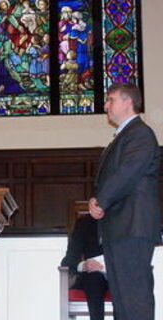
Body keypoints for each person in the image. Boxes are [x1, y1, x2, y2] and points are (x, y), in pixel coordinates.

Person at [89, 83, 161, 320]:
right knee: (122, 300)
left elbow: (127, 173)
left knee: (134, 297)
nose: (106, 105)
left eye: (111, 99)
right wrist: (98, 200)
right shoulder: (125, 136)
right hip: (120, 227)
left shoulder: (140, 134)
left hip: (132, 226)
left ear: (128, 101)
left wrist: (101, 201)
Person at [61, 214, 109, 320]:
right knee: (94, 279)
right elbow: (69, 260)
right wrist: (84, 265)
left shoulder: (125, 220)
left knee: (121, 282)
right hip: (92, 278)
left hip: (118, 275)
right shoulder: (85, 223)